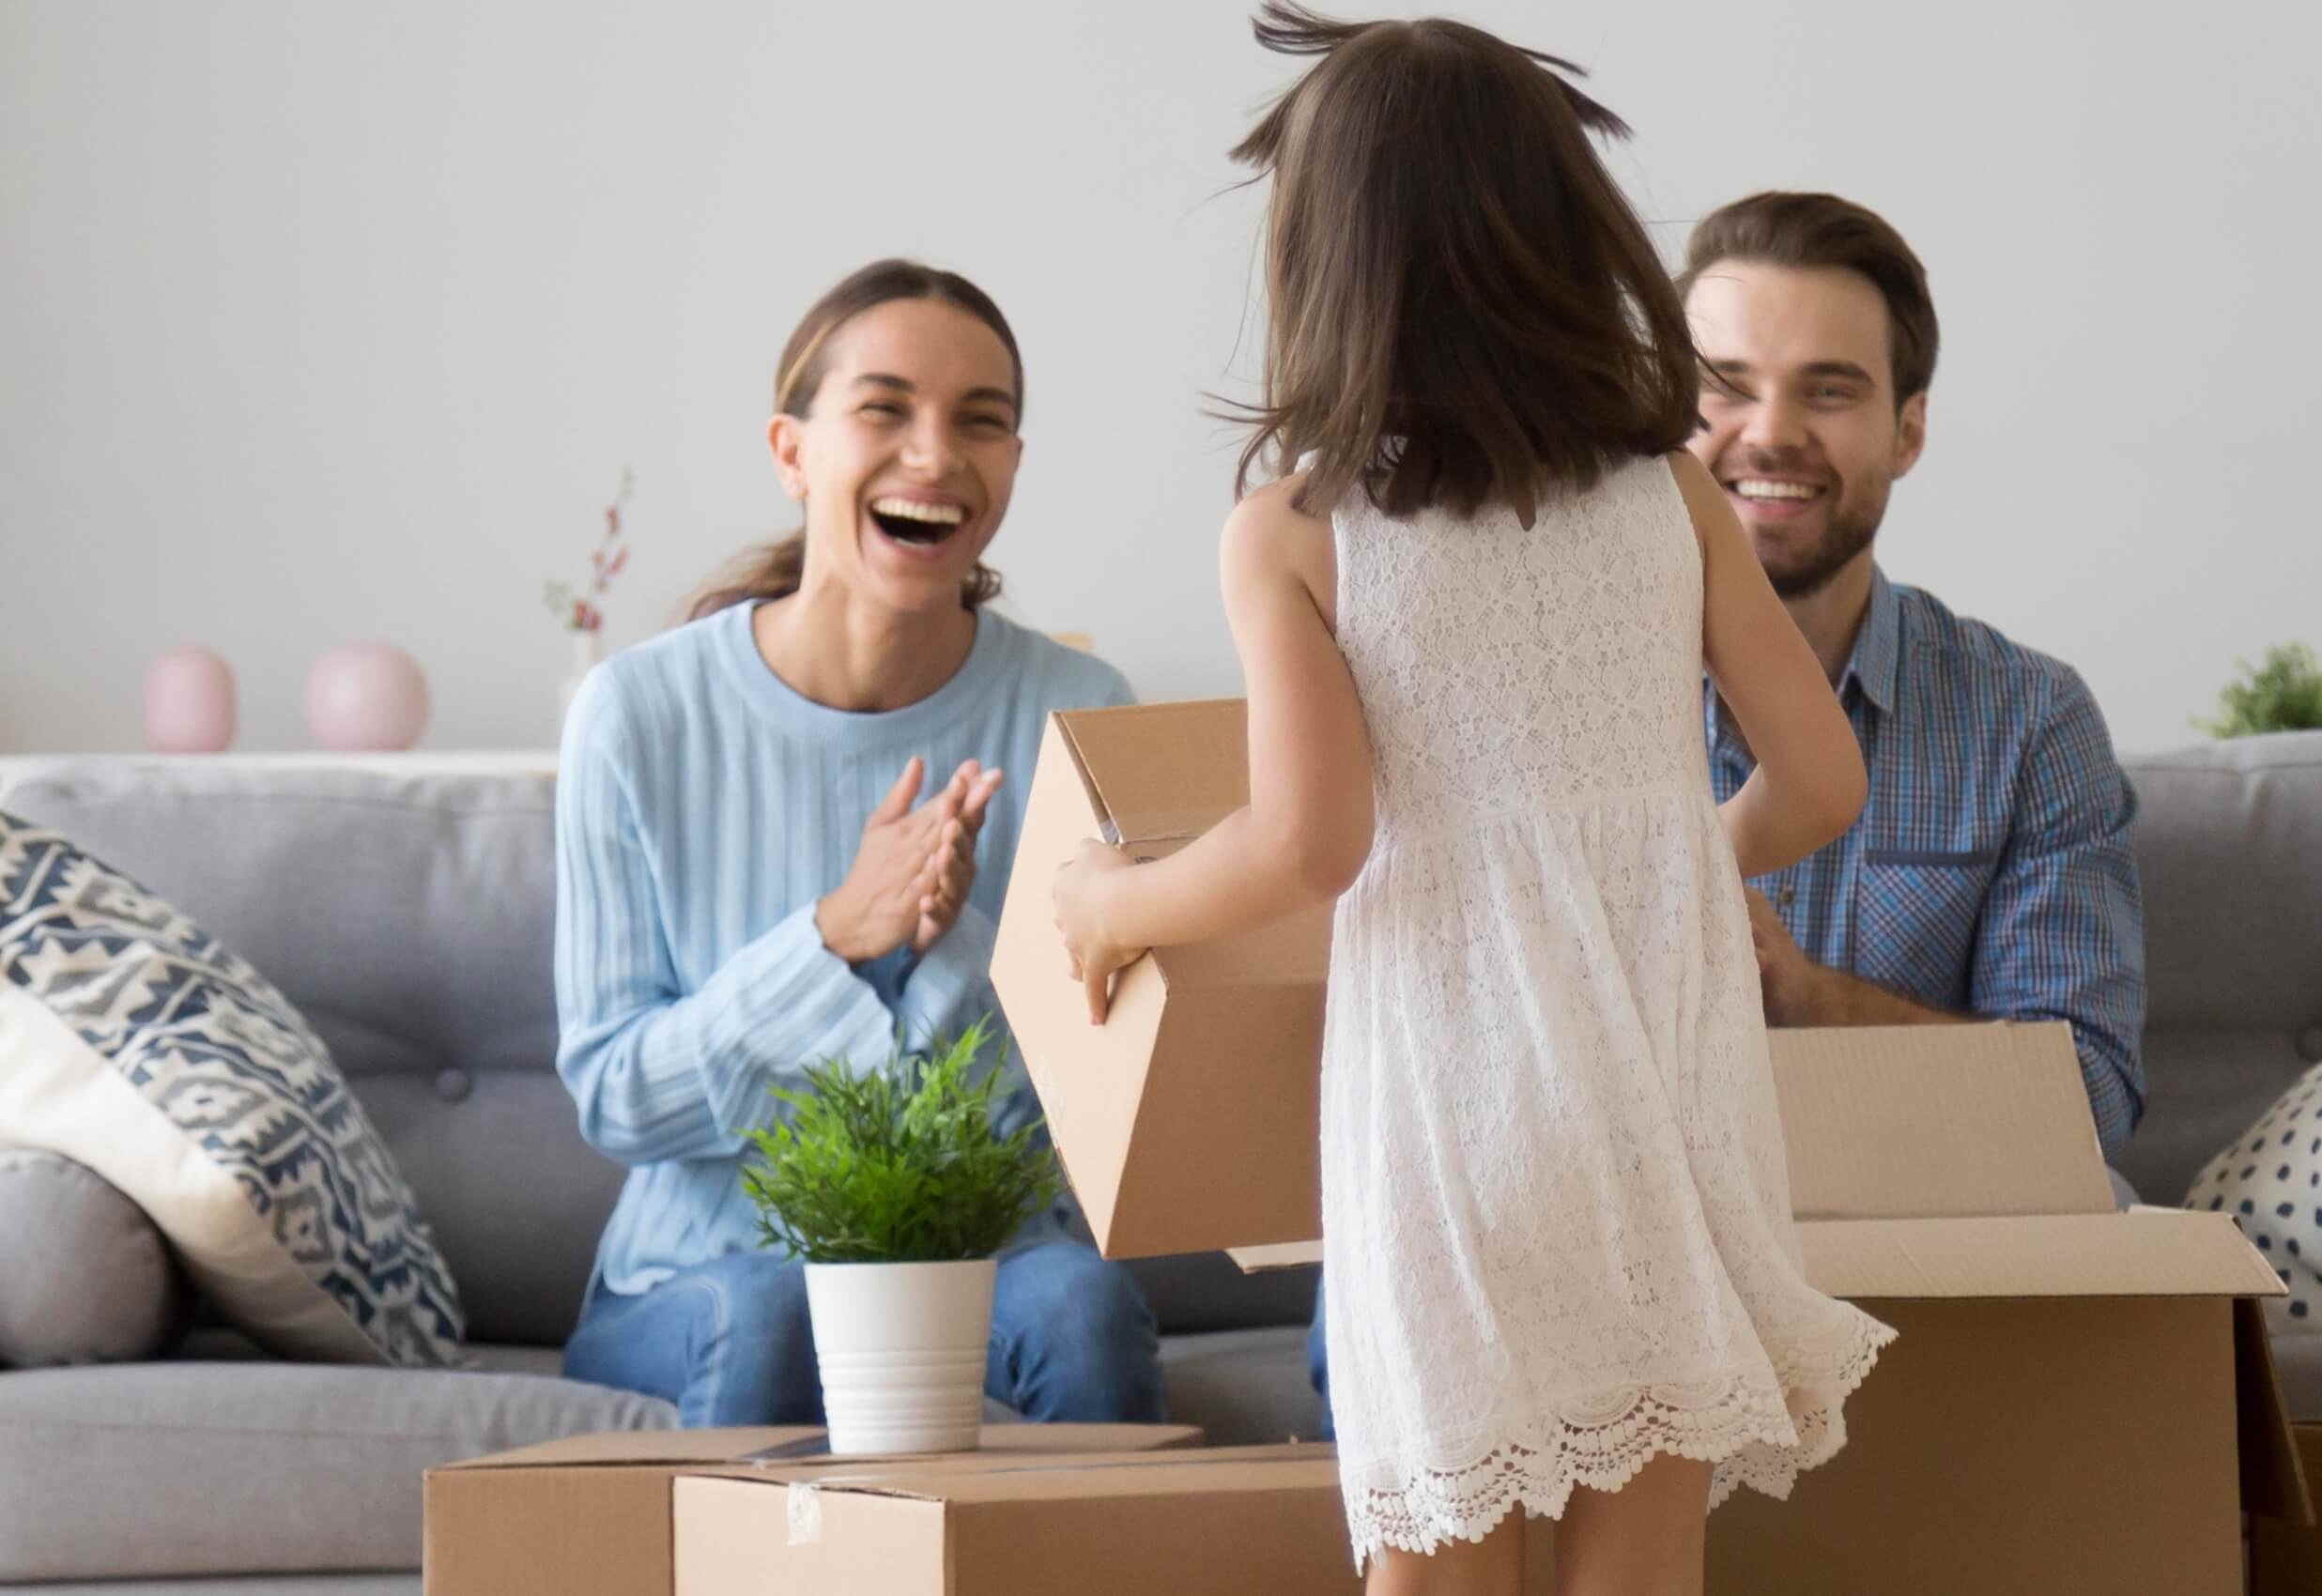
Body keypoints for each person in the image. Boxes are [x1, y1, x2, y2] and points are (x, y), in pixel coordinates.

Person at [1049, 10, 1891, 1590]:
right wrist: (1670, 871)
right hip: (1669, 1091)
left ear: (1326, 258)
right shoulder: (1669, 490)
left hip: (1457, 1108)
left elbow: (1309, 841)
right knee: (1644, 1548)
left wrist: (1110, 904)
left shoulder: (1303, 528)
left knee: (1444, 1556)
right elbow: (1821, 780)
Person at [552, 258, 1165, 1429]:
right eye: (884, 409)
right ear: (792, 452)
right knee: (773, 1314)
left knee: (1083, 1311)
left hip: (994, 1260)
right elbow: (618, 1097)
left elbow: (1094, 1106)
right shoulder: (635, 714)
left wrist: (943, 946)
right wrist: (836, 937)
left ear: (1014, 464)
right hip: (703, 1273)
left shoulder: (1082, 710)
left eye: (980, 421)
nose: (934, 456)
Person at [1681, 192, 2147, 1159]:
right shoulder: (1546, 699)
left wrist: (1805, 997)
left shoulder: (2029, 719)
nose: (1771, 433)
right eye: (1724, 385)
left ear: (1908, 431)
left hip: (1936, 1233)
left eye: (1828, 390)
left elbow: (2090, 1101)